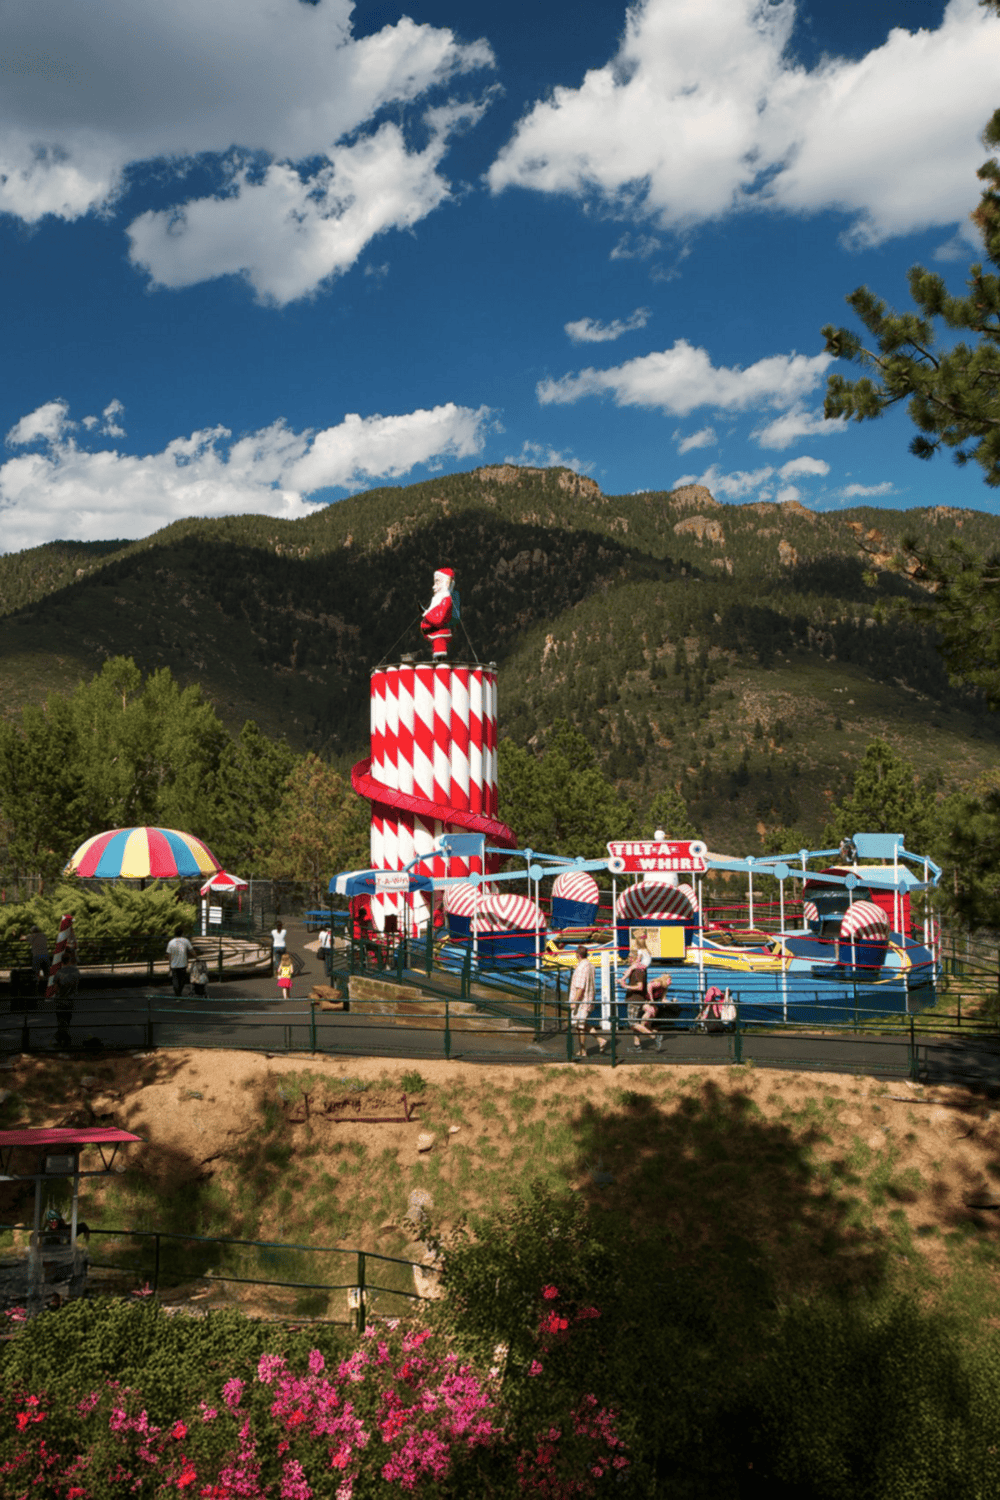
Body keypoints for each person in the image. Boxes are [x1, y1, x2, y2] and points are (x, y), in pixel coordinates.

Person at [569, 945, 604, 1057]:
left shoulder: (581, 968)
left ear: (578, 955)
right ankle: (599, 1040)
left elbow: (580, 988)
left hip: (581, 1001)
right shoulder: (590, 966)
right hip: (589, 999)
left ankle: (583, 1050)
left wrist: (574, 1001)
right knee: (581, 1024)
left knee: (580, 1026)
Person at [420, 567, 456, 659]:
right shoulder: (439, 599)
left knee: (439, 650)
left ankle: (440, 659)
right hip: (433, 633)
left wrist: (425, 613)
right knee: (437, 648)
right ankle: (438, 658)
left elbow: (438, 620)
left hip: (438, 633)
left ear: (446, 583)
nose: (433, 586)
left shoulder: (445, 600)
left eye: (437, 582)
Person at [620, 949, 649, 1049]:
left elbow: (640, 986)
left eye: (629, 957)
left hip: (635, 999)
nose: (628, 959)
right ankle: (637, 1045)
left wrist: (626, 987)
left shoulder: (637, 970)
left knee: (632, 1023)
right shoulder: (636, 969)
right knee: (634, 1023)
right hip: (635, 999)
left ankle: (654, 1036)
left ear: (632, 958)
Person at [647, 973, 673, 1052]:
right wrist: (651, 998)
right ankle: (653, 1034)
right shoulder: (659, 983)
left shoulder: (664, 989)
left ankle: (652, 1033)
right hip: (646, 1001)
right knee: (650, 1014)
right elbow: (649, 986)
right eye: (669, 980)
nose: (670, 982)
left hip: (652, 1003)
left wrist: (671, 1002)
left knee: (653, 1014)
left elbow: (663, 999)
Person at [166, 932, 194, 997]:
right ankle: (179, 993)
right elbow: (191, 950)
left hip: (174, 964)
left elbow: (168, 954)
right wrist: (196, 957)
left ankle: (177, 994)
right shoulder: (185, 940)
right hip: (183, 963)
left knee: (175, 980)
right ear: (182, 933)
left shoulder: (171, 942)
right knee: (182, 979)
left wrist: (169, 964)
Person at [26, 925, 50, 994]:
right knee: (47, 973)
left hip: (37, 956)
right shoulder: (43, 935)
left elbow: (24, 938)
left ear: (32, 931)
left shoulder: (31, 936)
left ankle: (36, 989)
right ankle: (48, 989)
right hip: (45, 955)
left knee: (36, 973)